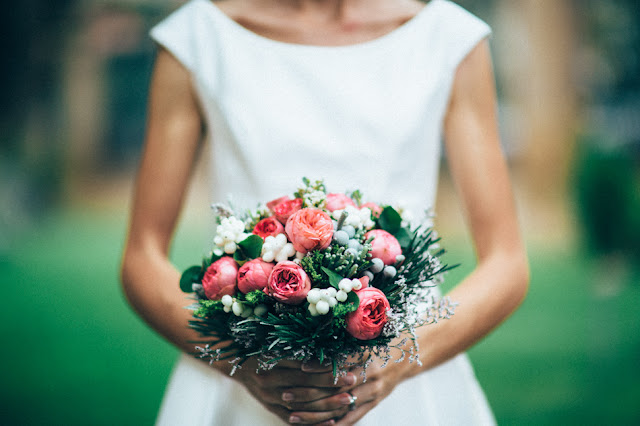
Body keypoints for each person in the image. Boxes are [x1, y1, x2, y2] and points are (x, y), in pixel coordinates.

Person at [120, 0, 529, 424]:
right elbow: (141, 257)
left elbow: (507, 263)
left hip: (409, 387)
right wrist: (239, 360)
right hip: (240, 386)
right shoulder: (197, 38)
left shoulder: (446, 37)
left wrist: (396, 362)